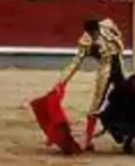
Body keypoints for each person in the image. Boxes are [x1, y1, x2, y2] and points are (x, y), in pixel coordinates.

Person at [52, 17, 126, 151]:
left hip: (120, 66)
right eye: (92, 33)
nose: (94, 35)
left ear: (98, 28)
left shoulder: (108, 24)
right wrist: (62, 82)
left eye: (95, 32)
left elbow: (118, 37)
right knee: (96, 104)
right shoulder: (85, 41)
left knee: (130, 99)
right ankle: (88, 139)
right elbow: (75, 63)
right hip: (106, 70)